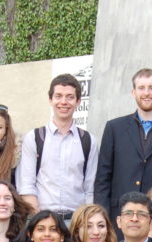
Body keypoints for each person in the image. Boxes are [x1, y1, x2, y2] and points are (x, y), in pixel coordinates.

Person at [94, 68, 152, 220]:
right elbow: (102, 179)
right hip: (119, 218)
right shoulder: (114, 128)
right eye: (141, 88)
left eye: (151, 87)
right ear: (133, 92)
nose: (146, 93)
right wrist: (102, 218)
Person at [16, 73, 98, 220]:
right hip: (42, 219)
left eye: (70, 97)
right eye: (58, 96)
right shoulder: (34, 138)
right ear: (50, 100)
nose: (64, 102)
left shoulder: (88, 141)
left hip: (76, 221)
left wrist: (86, 220)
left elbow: (90, 188)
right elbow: (26, 185)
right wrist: (40, 220)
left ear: (78, 101)